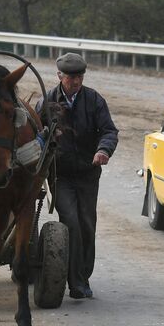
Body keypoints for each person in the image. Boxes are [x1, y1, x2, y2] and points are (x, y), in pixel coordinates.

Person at [44, 52, 118, 299]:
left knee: (87, 225)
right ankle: (73, 282)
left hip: (88, 174)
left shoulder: (94, 100)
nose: (76, 82)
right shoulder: (47, 102)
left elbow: (109, 131)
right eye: (71, 77)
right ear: (59, 76)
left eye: (79, 77)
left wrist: (103, 150)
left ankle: (82, 279)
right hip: (61, 175)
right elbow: (35, 134)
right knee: (71, 223)